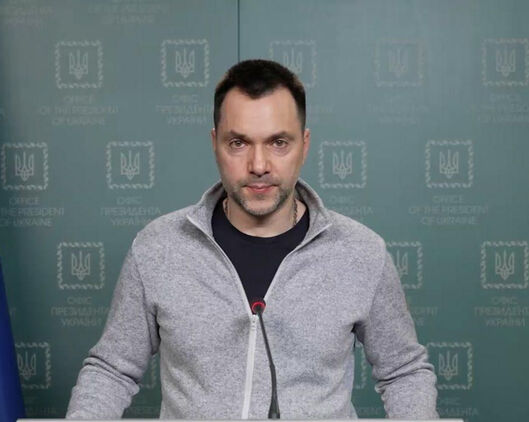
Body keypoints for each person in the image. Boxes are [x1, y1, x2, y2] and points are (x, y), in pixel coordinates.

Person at [67, 59, 438, 419]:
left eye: (278, 142)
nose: (259, 165)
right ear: (215, 144)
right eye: (238, 143)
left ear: (305, 145)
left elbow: (403, 372)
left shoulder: (361, 252)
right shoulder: (159, 247)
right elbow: (112, 370)